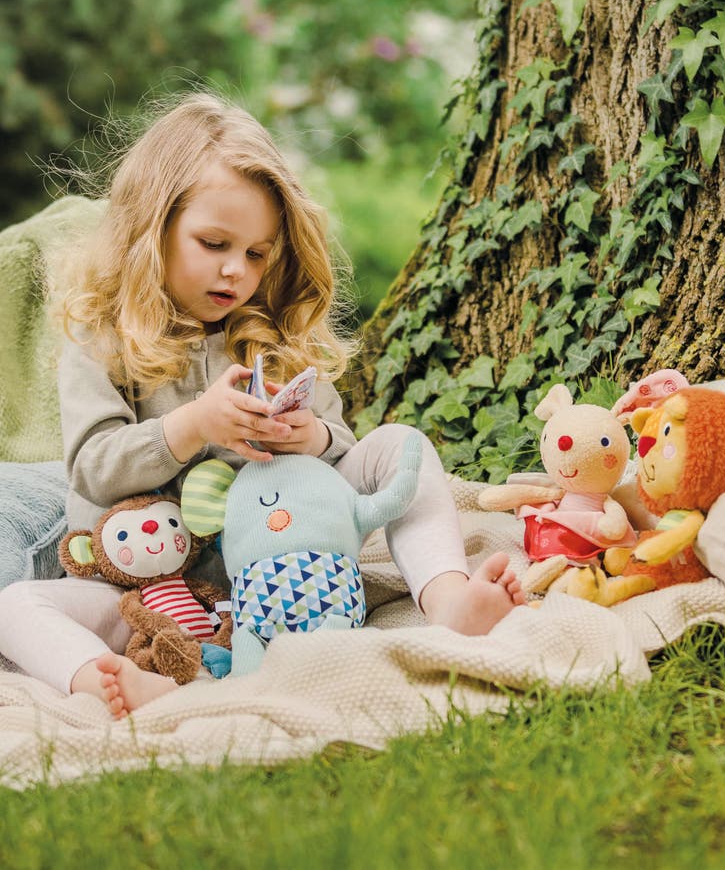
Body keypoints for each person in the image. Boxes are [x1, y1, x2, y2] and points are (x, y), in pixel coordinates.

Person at [0, 93, 523, 718]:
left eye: (256, 253)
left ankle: (448, 602)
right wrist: (192, 426)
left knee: (397, 445)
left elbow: (340, 448)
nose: (235, 272)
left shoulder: (268, 333)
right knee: (17, 607)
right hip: (150, 590)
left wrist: (313, 440)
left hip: (271, 574)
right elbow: (92, 467)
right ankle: (107, 682)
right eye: (213, 243)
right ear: (150, 228)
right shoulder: (103, 336)